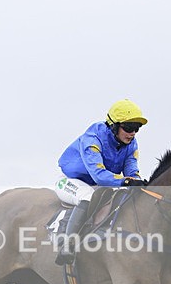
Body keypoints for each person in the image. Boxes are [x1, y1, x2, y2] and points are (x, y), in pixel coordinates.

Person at [54, 99, 148, 264]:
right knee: (88, 196)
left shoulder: (131, 143)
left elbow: (131, 172)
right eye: (128, 128)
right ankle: (67, 245)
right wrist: (126, 182)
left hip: (102, 184)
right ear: (114, 126)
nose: (132, 133)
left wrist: (138, 182)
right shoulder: (93, 138)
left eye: (136, 129)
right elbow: (99, 175)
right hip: (71, 181)